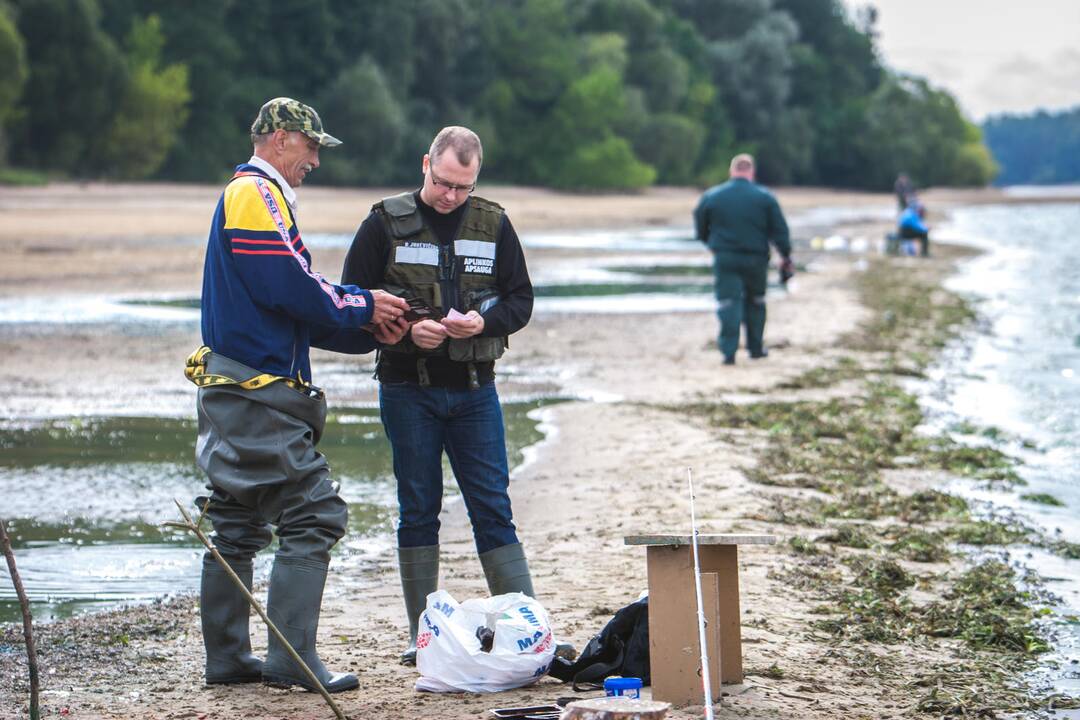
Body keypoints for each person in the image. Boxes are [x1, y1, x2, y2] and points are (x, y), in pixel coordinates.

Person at [190, 97, 409, 693]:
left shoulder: (254, 195)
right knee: (314, 514)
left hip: (234, 389)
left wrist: (364, 329)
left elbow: (286, 309)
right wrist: (363, 303)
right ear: (283, 138)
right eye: (312, 147)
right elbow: (287, 284)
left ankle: (230, 660)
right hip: (257, 394)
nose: (316, 159)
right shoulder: (254, 193)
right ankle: (290, 657)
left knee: (234, 520)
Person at [341, 126, 537, 666]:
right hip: (408, 391)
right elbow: (351, 302)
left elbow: (520, 301)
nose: (452, 196)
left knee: (494, 510)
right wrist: (407, 334)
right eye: (445, 182)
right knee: (418, 510)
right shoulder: (382, 222)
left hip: (477, 393)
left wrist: (482, 321)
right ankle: (419, 634)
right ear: (426, 163)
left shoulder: (493, 223)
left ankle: (526, 624)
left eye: (463, 188)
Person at [693, 153, 792, 365]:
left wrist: (710, 242)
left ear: (732, 171)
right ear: (751, 172)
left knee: (728, 302)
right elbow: (780, 231)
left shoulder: (713, 196)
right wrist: (785, 255)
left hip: (725, 256)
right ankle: (755, 349)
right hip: (756, 258)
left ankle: (728, 352)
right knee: (756, 301)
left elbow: (700, 223)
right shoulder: (765, 197)